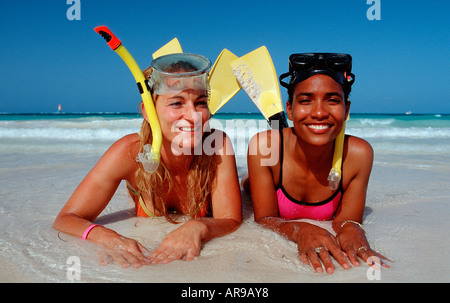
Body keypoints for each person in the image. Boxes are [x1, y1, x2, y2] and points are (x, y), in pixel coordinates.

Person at [53, 53, 242, 268]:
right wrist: (108, 238)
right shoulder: (130, 152)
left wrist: (198, 226)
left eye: (200, 103)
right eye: (177, 103)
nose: (194, 116)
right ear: (148, 111)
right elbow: (66, 218)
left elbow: (231, 220)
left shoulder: (216, 145)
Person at [246, 53, 389, 274]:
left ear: (347, 110)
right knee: (247, 185)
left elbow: (347, 220)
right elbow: (265, 219)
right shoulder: (264, 147)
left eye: (332, 100)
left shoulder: (358, 155)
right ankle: (249, 179)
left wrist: (352, 228)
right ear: (290, 110)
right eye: (305, 100)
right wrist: (299, 230)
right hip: (275, 159)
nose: (320, 113)